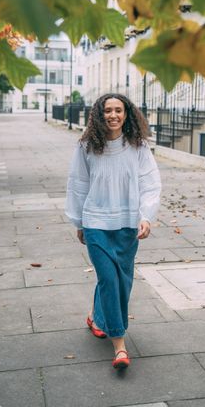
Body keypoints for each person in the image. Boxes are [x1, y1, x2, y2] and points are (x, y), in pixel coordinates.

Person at [65, 93, 161, 369]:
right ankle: (119, 345)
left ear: (127, 114)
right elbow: (78, 184)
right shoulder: (86, 147)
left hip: (128, 224)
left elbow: (150, 183)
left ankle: (97, 316)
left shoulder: (138, 146)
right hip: (95, 223)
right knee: (109, 278)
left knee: (122, 280)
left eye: (119, 110)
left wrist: (146, 216)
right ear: (99, 114)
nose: (113, 115)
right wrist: (79, 222)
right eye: (108, 110)